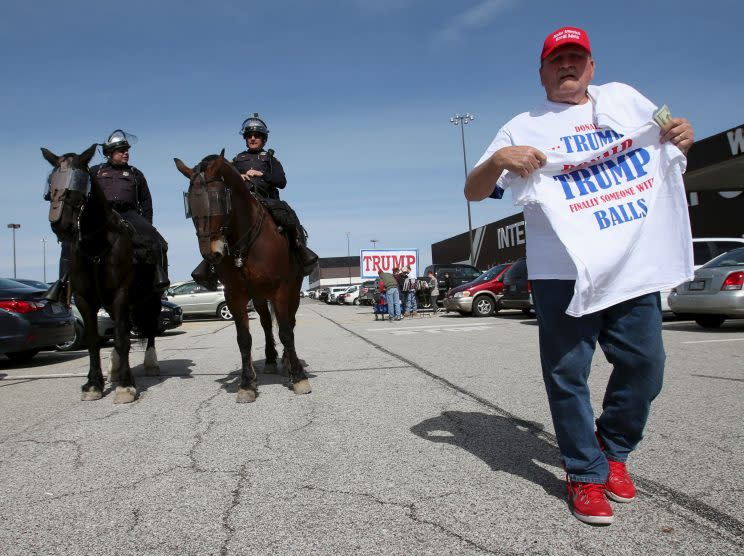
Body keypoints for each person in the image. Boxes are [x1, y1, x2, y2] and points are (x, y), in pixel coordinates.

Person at [464, 26, 694, 526]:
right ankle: (585, 474)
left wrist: (681, 135)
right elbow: (474, 191)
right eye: (556, 60)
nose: (567, 65)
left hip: (632, 263)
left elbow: (669, 134)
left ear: (592, 65)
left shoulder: (626, 99)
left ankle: (613, 449)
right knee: (568, 374)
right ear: (542, 71)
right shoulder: (522, 125)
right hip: (559, 273)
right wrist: (500, 160)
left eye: (576, 57)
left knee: (645, 365)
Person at [191, 113, 318, 288]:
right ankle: (210, 264)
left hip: (267, 200)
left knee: (287, 215)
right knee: (220, 224)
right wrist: (239, 176)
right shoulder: (236, 160)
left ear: (263, 139)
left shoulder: (270, 159)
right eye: (249, 135)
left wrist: (262, 174)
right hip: (241, 203)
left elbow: (282, 182)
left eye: (256, 135)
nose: (252, 138)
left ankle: (300, 251)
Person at [46, 130, 169, 301]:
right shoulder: (95, 171)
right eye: (121, 150)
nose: (126, 153)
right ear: (110, 154)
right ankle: (62, 283)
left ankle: (158, 277)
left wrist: (146, 224)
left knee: (154, 238)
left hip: (129, 213)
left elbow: (146, 202)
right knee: (70, 240)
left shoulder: (136, 173)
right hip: (102, 214)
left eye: (126, 150)